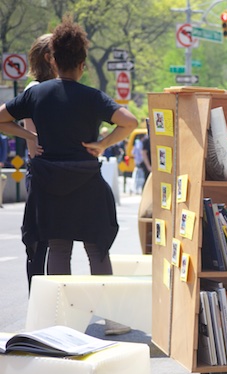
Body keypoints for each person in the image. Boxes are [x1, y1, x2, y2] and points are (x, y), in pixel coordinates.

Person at [0, 15, 138, 334]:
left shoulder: (37, 95)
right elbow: (128, 121)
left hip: (49, 183)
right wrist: (102, 143)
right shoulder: (91, 97)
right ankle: (112, 318)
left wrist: (30, 137)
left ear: (54, 59)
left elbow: (2, 119)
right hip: (86, 182)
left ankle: (61, 320)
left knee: (59, 248)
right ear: (83, 63)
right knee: (96, 248)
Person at [20, 33, 57, 291]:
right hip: (41, 171)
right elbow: (28, 131)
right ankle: (37, 300)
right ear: (48, 57)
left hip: (52, 170)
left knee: (53, 241)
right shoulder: (34, 90)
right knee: (38, 242)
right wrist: (32, 139)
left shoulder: (56, 87)